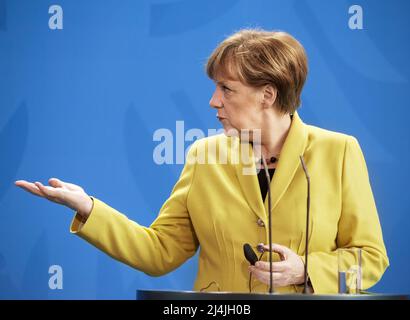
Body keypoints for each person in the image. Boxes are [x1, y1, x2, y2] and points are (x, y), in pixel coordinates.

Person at [15, 29, 389, 294]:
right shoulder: (204, 155)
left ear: (267, 95)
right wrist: (88, 208)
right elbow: (160, 251)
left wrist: (307, 270)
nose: (213, 101)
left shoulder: (339, 152)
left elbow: (370, 259)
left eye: (226, 89)